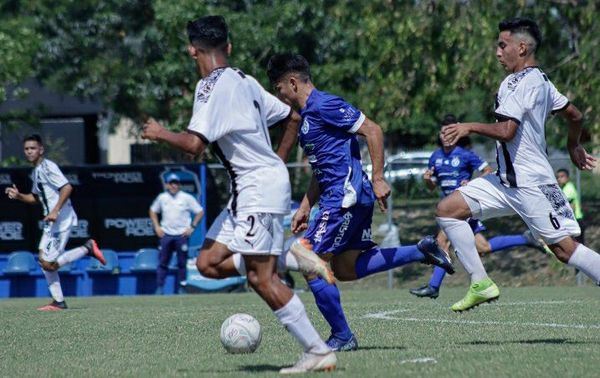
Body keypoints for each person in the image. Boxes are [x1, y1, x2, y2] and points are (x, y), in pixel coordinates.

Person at [141, 16, 337, 373]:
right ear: (228, 48)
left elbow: (194, 145)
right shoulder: (244, 79)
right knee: (208, 264)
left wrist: (159, 132)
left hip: (255, 189)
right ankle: (291, 257)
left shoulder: (209, 87)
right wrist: (276, 162)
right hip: (248, 190)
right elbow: (292, 117)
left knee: (261, 279)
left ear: (191, 50)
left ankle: (317, 350)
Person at [266, 53, 454, 351]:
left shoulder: (324, 104)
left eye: (279, 89)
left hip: (346, 199)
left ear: (291, 82)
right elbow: (323, 168)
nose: (280, 96)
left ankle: (342, 336)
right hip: (338, 199)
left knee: (308, 260)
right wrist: (305, 205)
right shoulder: (306, 119)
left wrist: (378, 177)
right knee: (345, 269)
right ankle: (421, 251)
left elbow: (373, 130)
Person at [437, 17, 599, 312]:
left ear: (522, 47)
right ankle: (480, 283)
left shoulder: (521, 82)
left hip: (530, 183)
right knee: (448, 210)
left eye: (503, 45)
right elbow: (575, 115)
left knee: (564, 250)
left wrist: (468, 127)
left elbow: (507, 131)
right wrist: (573, 144)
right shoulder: (542, 80)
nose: (498, 52)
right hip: (505, 180)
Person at [410, 114, 544, 299]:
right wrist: (427, 181)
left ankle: (433, 287)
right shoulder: (435, 156)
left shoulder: (465, 154)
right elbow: (433, 185)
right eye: (442, 132)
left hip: (464, 207)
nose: (445, 135)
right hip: (448, 210)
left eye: (449, 131)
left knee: (442, 242)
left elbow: (488, 171)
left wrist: (471, 183)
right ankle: (524, 239)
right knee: (483, 247)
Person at [4, 134, 106, 311]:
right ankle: (58, 302)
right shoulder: (36, 171)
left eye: (33, 148)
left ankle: (87, 248)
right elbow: (36, 197)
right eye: (27, 149)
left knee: (49, 264)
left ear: (41, 149)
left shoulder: (48, 167)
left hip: (61, 219)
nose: (29, 151)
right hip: (52, 222)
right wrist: (19, 195)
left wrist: (55, 210)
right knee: (43, 260)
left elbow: (67, 187)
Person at [149, 173, 204, 295]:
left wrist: (192, 227)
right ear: (167, 185)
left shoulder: (186, 197)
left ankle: (182, 287)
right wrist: (157, 227)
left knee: (182, 263)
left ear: (179, 185)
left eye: (176, 183)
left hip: (181, 235)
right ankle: (160, 288)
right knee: (163, 262)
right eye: (171, 183)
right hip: (166, 235)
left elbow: (200, 211)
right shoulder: (162, 197)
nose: (173, 185)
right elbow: (153, 211)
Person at [556, 168, 585, 244]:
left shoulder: (569, 188)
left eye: (562, 176)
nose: (559, 179)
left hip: (576, 221)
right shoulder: (565, 188)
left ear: (567, 177)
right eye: (558, 177)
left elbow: (572, 207)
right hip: (575, 221)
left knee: (577, 248)